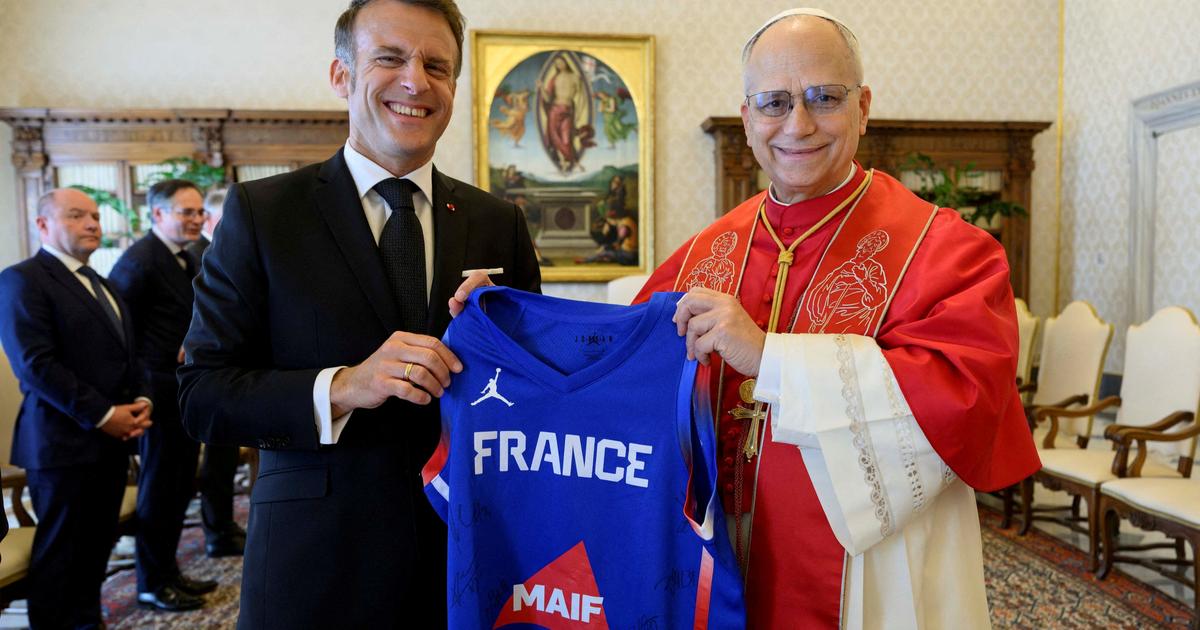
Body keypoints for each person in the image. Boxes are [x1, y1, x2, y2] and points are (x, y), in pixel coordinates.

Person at [634, 9, 1040, 628]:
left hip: (870, 582)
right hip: (721, 564)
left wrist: (770, 358)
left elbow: (965, 401)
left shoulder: (948, 252)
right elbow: (617, 374)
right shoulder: (702, 255)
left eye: (824, 97)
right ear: (747, 120)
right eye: (773, 102)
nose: (797, 124)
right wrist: (498, 326)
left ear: (863, 107)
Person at [177, 0, 541, 627]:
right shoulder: (264, 215)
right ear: (341, 76)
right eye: (390, 58)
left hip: (465, 560)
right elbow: (202, 395)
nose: (416, 82)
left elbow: (533, 389)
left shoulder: (496, 223)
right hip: (315, 566)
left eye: (437, 65)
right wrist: (344, 386)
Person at [0, 188, 153, 629]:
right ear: (43, 224)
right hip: (61, 443)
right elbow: (35, 365)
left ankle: (87, 622)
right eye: (76, 215)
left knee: (95, 549)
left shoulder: (100, 281)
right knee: (61, 555)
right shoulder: (22, 278)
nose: (92, 224)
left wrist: (141, 402)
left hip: (109, 442)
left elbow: (130, 353)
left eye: (94, 216)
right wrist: (106, 415)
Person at [109, 178, 217, 612]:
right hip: (155, 393)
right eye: (184, 212)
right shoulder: (140, 261)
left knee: (176, 490)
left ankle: (169, 572)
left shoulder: (182, 258)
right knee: (158, 490)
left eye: (197, 213)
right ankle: (151, 582)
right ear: (157, 215)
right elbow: (117, 330)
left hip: (181, 391)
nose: (195, 220)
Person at [187, 186, 248, 558]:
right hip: (204, 377)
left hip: (231, 375)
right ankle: (216, 531)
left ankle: (222, 527)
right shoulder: (200, 254)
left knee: (221, 464)